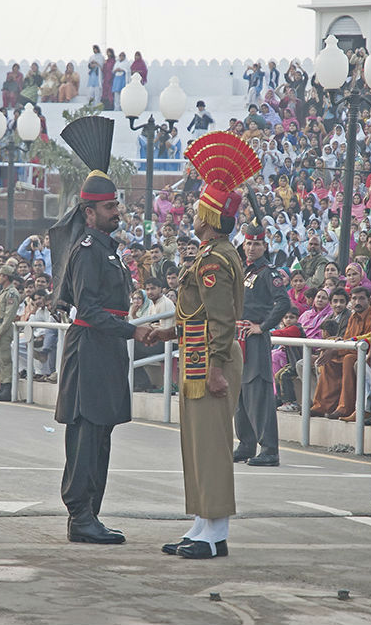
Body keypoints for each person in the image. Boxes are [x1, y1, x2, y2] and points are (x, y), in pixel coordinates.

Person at [148, 132, 253, 559]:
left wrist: (214, 367)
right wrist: (167, 333)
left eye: (198, 208)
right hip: (199, 358)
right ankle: (202, 526)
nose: (192, 213)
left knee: (210, 448)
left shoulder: (213, 260)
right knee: (198, 448)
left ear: (209, 214)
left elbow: (222, 320)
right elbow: (199, 315)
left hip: (211, 362)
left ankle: (215, 534)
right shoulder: (215, 252)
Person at [51, 116, 151, 545]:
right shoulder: (90, 250)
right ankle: (80, 515)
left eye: (117, 205)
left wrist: (131, 332)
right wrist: (134, 331)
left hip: (103, 349)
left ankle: (90, 514)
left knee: (101, 434)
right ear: (89, 212)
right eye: (110, 207)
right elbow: (90, 310)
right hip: (91, 347)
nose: (118, 212)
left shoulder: (107, 250)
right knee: (87, 435)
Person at [233, 225, 290, 467]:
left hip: (255, 337)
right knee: (240, 393)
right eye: (248, 243)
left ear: (264, 246)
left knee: (259, 393)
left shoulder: (269, 272)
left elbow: (283, 302)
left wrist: (263, 326)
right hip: (238, 336)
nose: (252, 248)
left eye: (257, 244)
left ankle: (269, 449)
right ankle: (246, 444)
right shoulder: (244, 271)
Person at [310, 286, 371, 421]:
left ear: (369, 300)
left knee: (349, 359)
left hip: (367, 354)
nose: (357, 302)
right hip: (351, 349)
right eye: (354, 298)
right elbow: (347, 339)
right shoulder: (353, 316)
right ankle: (323, 406)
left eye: (361, 298)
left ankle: (345, 407)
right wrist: (333, 349)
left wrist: (336, 349)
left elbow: (369, 339)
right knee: (329, 360)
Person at [0, 265, 20, 401]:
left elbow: (9, 315)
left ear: (5, 276)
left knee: (5, 359)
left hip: (4, 329)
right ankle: (2, 388)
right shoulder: (2, 291)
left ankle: (6, 390)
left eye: (0, 275)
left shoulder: (11, 293)